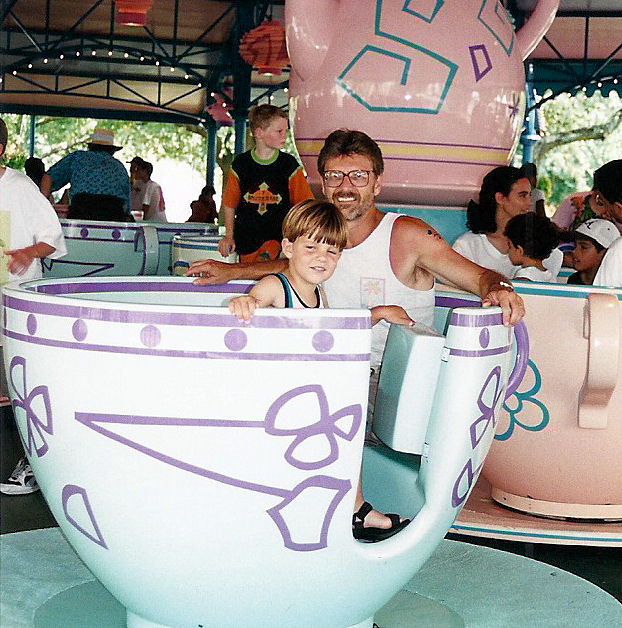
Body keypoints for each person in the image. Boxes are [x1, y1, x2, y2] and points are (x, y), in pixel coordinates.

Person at [186, 129, 525, 538]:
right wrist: (232, 273)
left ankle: (351, 508)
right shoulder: (322, 236)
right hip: (340, 366)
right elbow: (284, 268)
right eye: (334, 176)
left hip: (390, 376)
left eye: (358, 176)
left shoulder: (407, 234)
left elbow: (477, 276)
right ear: (321, 181)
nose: (345, 187)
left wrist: (497, 288)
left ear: (378, 182)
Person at [229, 198, 412, 542]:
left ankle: (353, 507)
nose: (321, 258)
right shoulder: (276, 286)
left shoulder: (318, 295)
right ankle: (348, 508)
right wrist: (246, 303)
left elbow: (336, 328)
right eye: (311, 247)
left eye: (331, 251)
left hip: (302, 391)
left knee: (350, 424)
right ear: (288, 247)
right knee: (342, 423)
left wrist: (380, 312)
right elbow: (255, 301)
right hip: (277, 396)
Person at [0, 117, 67, 495]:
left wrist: (27, 251)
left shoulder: (21, 187)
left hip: (17, 295)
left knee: (21, 379)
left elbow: (51, 239)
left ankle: (32, 462)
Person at [218, 104, 313, 262]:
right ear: (259, 133)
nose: (285, 136)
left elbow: (305, 206)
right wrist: (229, 236)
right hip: (246, 242)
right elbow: (229, 204)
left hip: (280, 244)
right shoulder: (240, 165)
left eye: (286, 131)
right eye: (279, 131)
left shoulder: (289, 165)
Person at [453, 165, 563, 279]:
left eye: (530, 195)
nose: (530, 202)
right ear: (500, 198)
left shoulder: (544, 246)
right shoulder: (467, 246)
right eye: (522, 195)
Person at [40, 128, 131, 221]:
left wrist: (41, 210)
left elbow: (48, 177)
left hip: (80, 216)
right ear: (112, 150)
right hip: (113, 219)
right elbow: (126, 207)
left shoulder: (77, 158)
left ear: (91, 146)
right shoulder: (120, 168)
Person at [591, 160, 622, 287]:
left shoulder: (619, 251)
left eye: (602, 203)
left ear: (618, 208)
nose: (603, 213)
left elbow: (602, 304)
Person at [504, 213, 560, 282]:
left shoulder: (523, 278)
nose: (507, 250)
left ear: (520, 251)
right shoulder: (549, 276)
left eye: (510, 246)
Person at [566, 219, 620, 285]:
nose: (574, 251)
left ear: (605, 253)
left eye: (583, 247)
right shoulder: (573, 280)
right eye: (575, 245)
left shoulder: (614, 284)